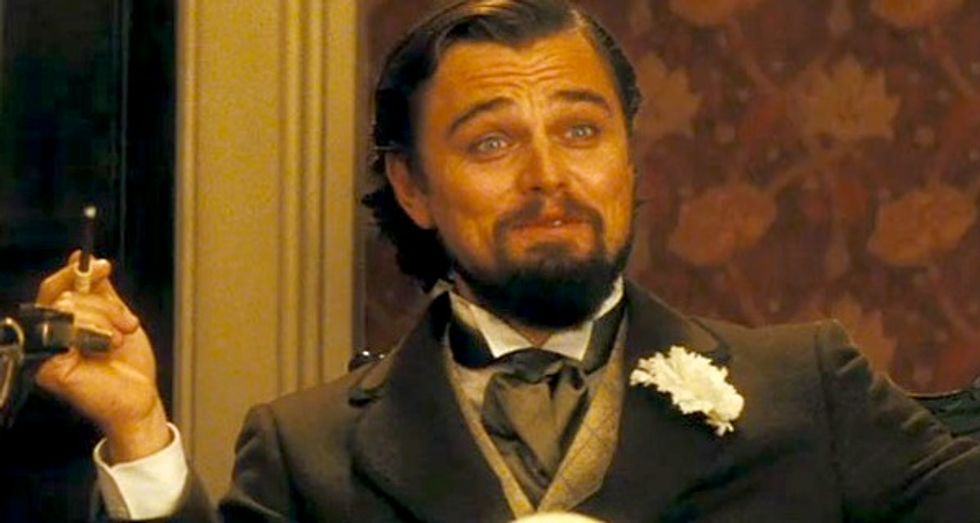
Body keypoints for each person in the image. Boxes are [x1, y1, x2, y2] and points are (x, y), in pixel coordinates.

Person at [33, 0, 980, 521]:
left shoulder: (810, 388)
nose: (549, 177)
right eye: (491, 143)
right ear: (413, 186)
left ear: (629, 158)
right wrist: (138, 430)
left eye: (582, 131)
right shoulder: (307, 451)